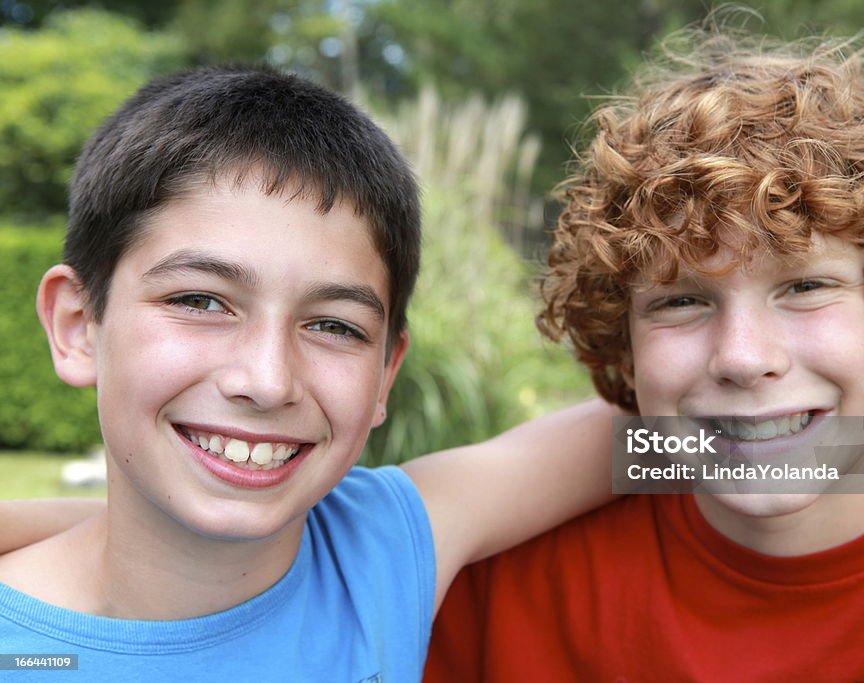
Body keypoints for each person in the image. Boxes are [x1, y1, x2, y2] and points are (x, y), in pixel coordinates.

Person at [425, 29, 864, 681]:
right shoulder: (503, 580)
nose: (742, 357)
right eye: (681, 301)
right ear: (624, 343)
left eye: (804, 286)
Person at [0, 64, 619, 680]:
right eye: (200, 302)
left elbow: (678, 444)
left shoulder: (377, 551)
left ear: (384, 375)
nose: (268, 381)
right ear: (78, 326)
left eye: (334, 326)